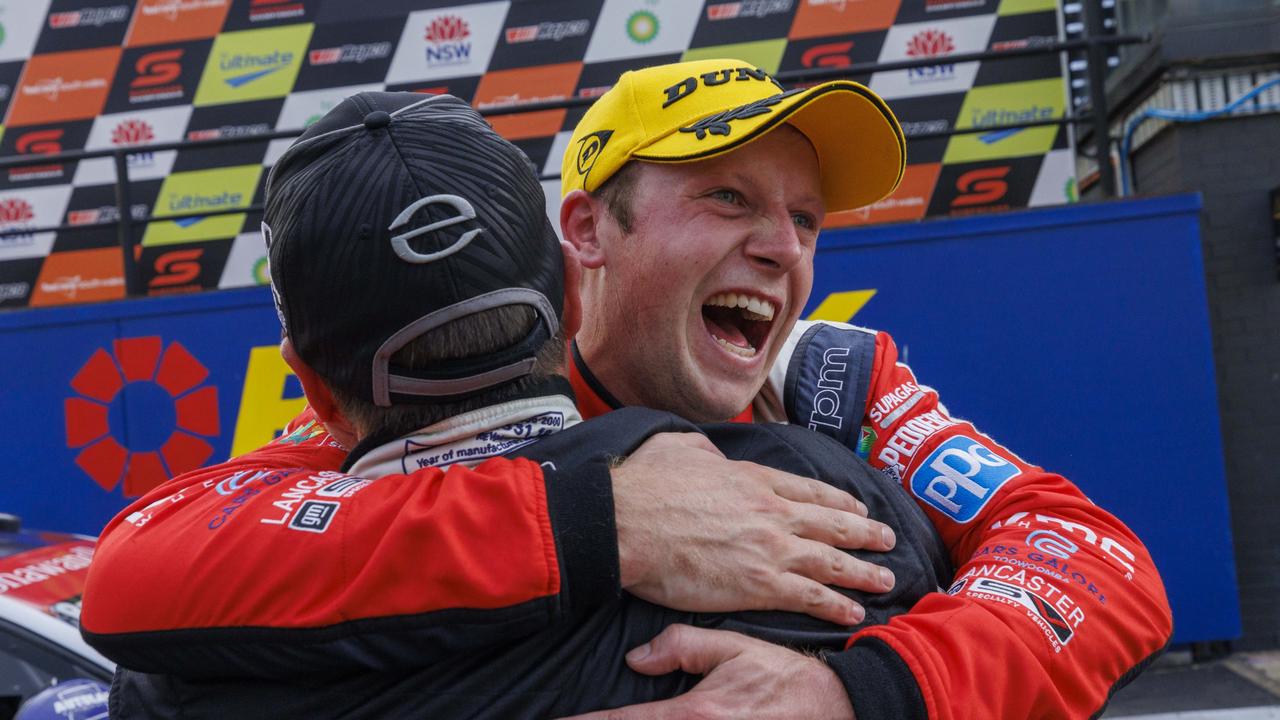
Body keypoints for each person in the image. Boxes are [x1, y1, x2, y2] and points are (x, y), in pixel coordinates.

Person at [83, 60, 1173, 719]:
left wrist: (861, 692)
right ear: (584, 231)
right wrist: (600, 517)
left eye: (803, 219)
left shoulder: (832, 379)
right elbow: (154, 562)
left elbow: (1096, 559)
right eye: (727, 196)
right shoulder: (440, 397)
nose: (777, 250)